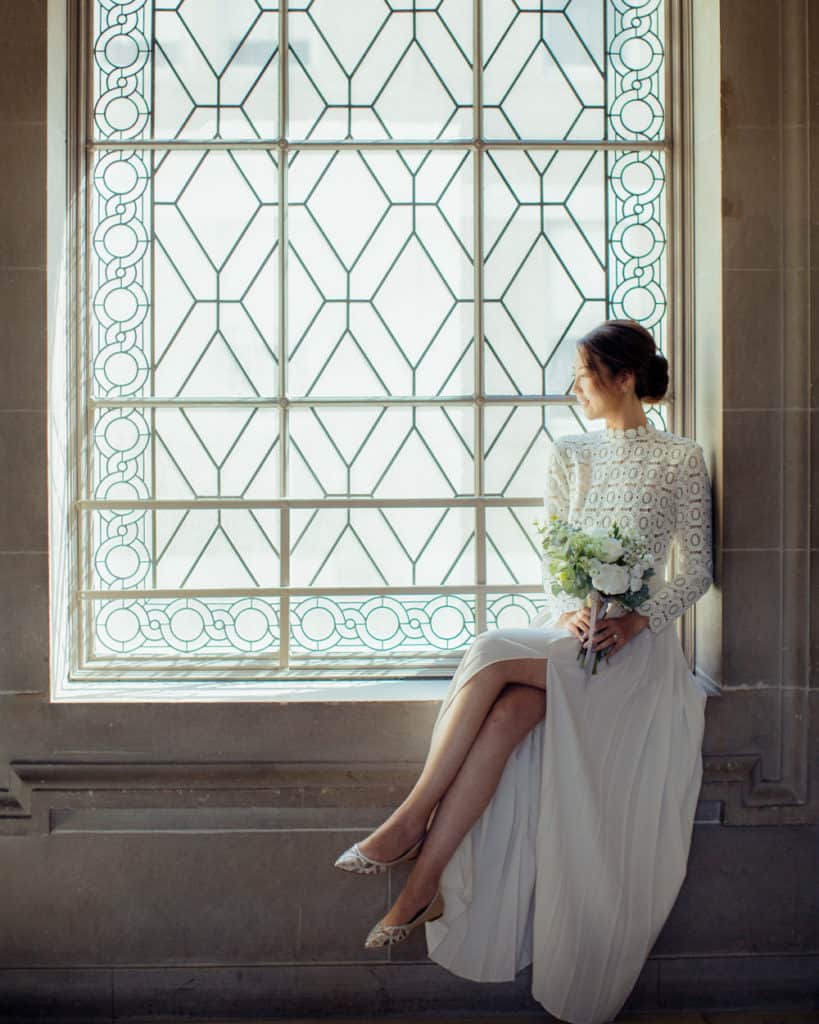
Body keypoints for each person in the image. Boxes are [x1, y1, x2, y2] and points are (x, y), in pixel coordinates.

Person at [333, 319, 719, 1024]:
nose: (574, 389)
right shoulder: (569, 452)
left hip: (638, 661)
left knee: (486, 651)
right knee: (508, 711)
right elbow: (554, 558)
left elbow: (696, 571)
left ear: (622, 378)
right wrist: (573, 608)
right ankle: (423, 884)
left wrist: (636, 621)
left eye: (582, 376)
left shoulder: (680, 459)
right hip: (575, 636)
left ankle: (409, 823)